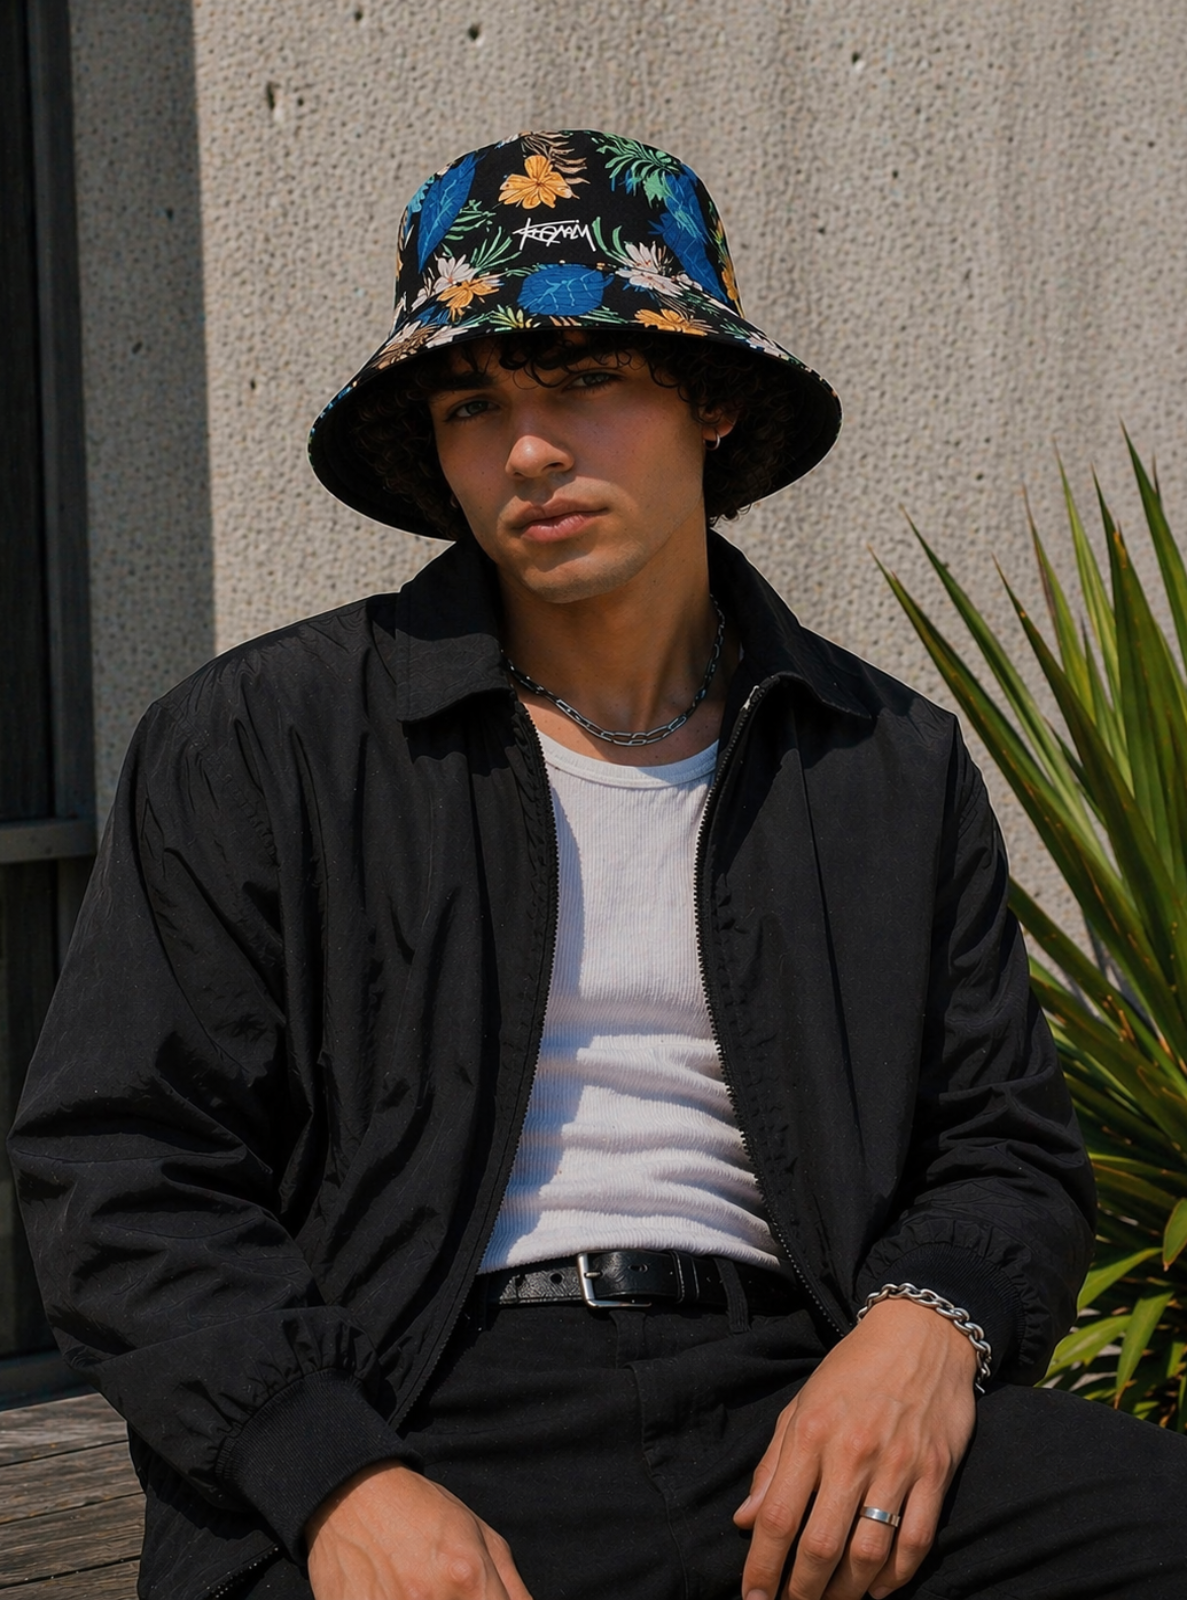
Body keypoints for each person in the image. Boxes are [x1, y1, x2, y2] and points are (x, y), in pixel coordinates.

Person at [9, 130, 1187, 1600]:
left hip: (796, 1390)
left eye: (581, 382)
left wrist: (920, 1330)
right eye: (468, 401)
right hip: (403, 1403)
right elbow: (121, 1167)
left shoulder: (877, 762)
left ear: (705, 398)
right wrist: (336, 1477)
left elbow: (1003, 1144)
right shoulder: (261, 741)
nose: (526, 449)